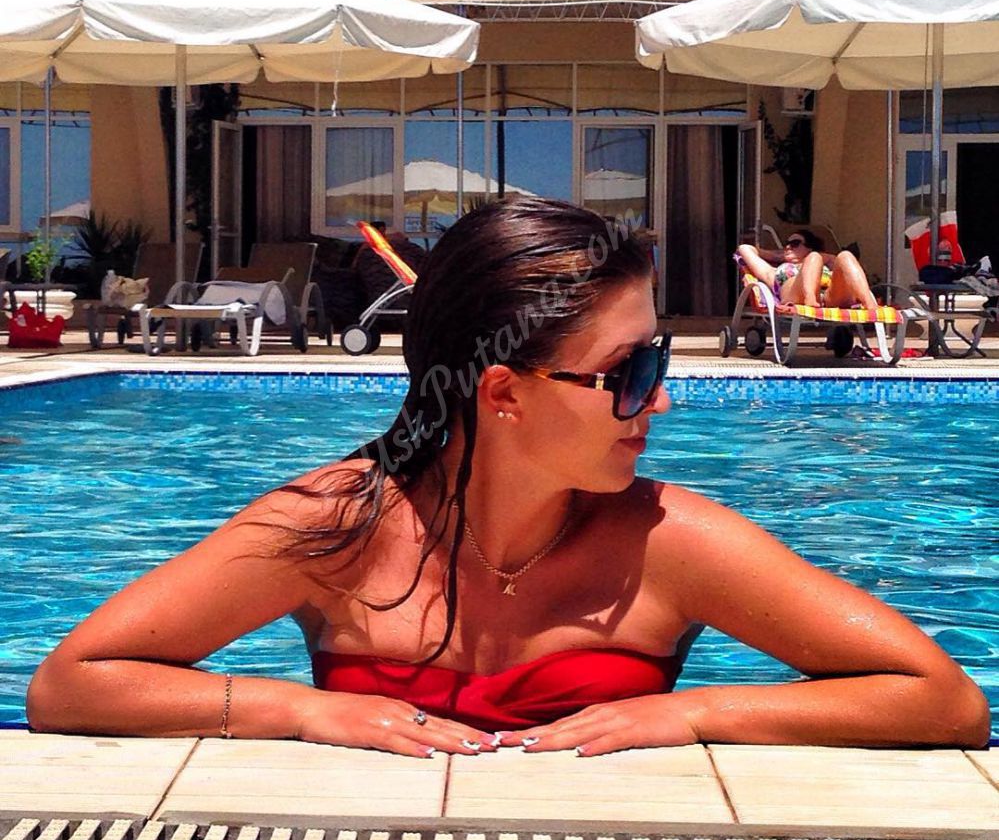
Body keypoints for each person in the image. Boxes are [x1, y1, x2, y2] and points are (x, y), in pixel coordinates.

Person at [27, 200, 988, 756]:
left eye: (657, 361)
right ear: (503, 394)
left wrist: (695, 710)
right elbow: (71, 686)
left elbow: (943, 702)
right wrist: (300, 709)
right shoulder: (337, 524)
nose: (659, 401)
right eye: (630, 372)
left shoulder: (670, 542)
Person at [737, 230, 879, 310]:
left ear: (809, 247)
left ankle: (870, 304)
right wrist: (777, 255)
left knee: (846, 255)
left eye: (795, 244)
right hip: (795, 296)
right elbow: (744, 249)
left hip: (829, 298)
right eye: (787, 244)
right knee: (814, 258)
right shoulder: (773, 271)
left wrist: (815, 256)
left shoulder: (819, 259)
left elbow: (837, 261)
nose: (788, 247)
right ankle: (809, 298)